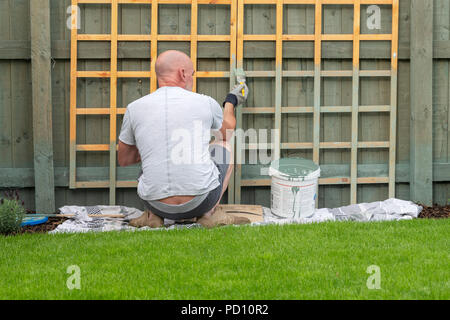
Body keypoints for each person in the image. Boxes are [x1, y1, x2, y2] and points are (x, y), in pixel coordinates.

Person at [118, 50, 249, 228]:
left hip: (155, 203)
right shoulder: (205, 102)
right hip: (199, 202)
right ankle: (209, 213)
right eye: (193, 74)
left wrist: (158, 145)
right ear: (183, 73)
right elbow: (227, 132)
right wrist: (230, 101)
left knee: (149, 162)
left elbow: (124, 159)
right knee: (225, 145)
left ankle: (152, 216)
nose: (192, 79)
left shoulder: (134, 108)